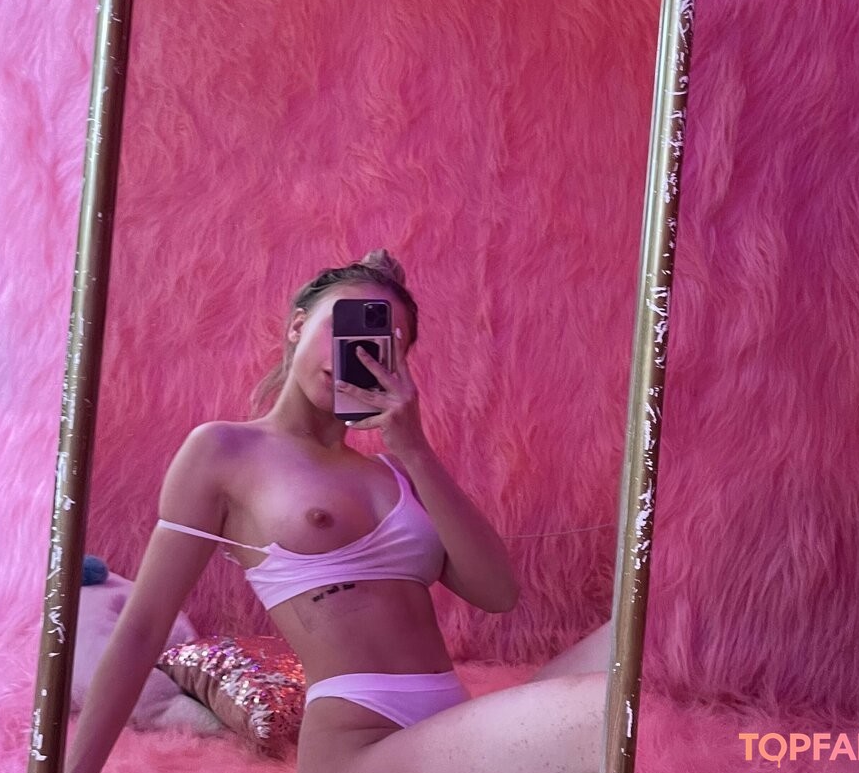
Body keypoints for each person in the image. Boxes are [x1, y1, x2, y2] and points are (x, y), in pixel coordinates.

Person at [68, 250, 611, 773]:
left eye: (380, 344)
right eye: (340, 326)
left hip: (446, 724)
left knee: (624, 643)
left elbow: (498, 593)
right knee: (598, 713)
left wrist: (415, 450)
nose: (353, 351)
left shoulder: (396, 472)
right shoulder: (224, 450)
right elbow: (142, 631)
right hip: (361, 740)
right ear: (297, 326)